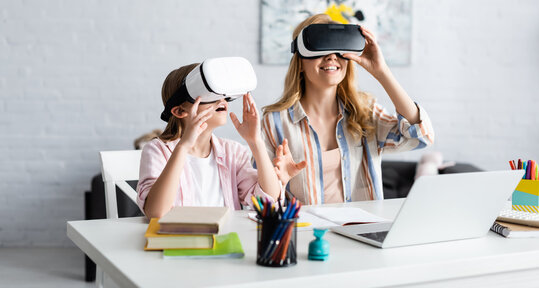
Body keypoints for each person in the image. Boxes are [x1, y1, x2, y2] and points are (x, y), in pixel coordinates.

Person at [262, 14, 434, 205]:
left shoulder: (366, 113)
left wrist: (382, 71)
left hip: (362, 230)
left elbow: (420, 137)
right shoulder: (274, 123)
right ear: (300, 62)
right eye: (321, 48)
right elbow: (263, 200)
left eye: (338, 50)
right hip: (307, 231)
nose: (331, 57)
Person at [137, 63, 282, 218]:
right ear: (179, 111)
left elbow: (268, 201)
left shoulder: (233, 152)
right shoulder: (157, 151)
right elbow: (156, 212)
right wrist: (183, 146)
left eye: (222, 93)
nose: (221, 99)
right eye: (209, 94)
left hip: (224, 238)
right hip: (180, 240)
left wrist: (256, 142)